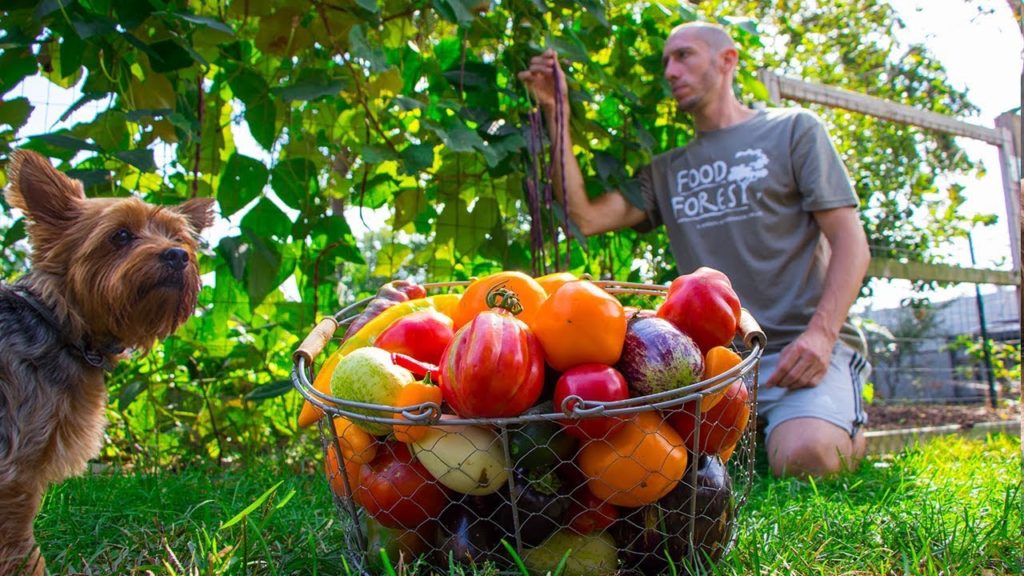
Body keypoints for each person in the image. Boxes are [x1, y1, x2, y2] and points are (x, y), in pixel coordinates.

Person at [518, 21, 872, 478]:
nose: (670, 70)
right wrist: (556, 110)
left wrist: (821, 336)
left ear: (727, 60)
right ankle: (771, 423)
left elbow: (851, 241)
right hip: (713, 366)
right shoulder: (667, 171)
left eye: (684, 55)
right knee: (649, 467)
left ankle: (839, 416)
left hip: (799, 351)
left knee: (805, 457)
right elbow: (585, 217)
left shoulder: (792, 130)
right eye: (666, 60)